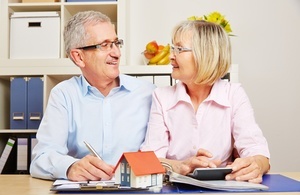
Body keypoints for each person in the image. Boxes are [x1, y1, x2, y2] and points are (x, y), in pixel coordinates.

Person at [30, 10, 156, 181]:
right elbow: (41, 158)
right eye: (104, 45)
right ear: (79, 57)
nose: (117, 53)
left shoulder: (148, 93)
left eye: (116, 43)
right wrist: (70, 167)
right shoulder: (64, 94)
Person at [140, 20, 270, 183]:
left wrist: (256, 164)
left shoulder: (233, 94)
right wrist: (181, 166)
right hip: (173, 190)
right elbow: (149, 159)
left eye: (179, 49)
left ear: (205, 54)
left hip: (222, 189)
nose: (171, 55)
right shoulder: (161, 97)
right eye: (173, 48)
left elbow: (258, 152)